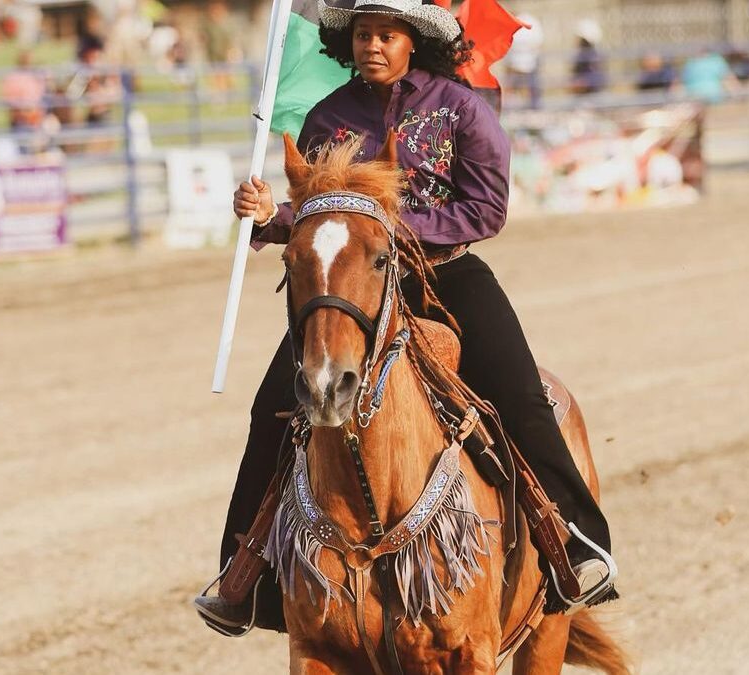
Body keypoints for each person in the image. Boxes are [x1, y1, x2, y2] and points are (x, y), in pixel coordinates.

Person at [195, 0, 617, 631]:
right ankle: (244, 576)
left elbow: (486, 208)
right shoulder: (327, 117)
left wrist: (389, 229)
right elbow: (315, 213)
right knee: (272, 410)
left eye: (386, 35)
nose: (373, 45)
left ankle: (576, 542)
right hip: (352, 287)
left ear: (412, 40)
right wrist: (271, 217)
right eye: (363, 34)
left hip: (444, 275)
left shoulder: (462, 108)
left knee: (523, 397)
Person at [570, 18, 606, 96]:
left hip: (591, 96)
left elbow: (593, 80)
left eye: (581, 39)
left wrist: (580, 84)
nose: (578, 41)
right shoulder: (582, 55)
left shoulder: (591, 57)